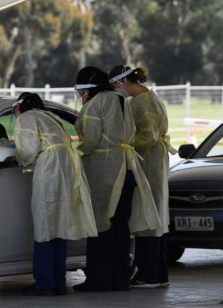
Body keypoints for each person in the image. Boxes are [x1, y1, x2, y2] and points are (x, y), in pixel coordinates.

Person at [72, 67, 161, 292]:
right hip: (128, 171)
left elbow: (90, 140)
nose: (81, 94)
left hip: (105, 172)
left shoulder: (93, 105)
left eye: (81, 90)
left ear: (87, 89)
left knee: (101, 225)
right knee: (121, 228)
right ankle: (120, 279)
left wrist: (75, 151)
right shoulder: (121, 100)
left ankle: (98, 280)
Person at [13, 92, 97, 296]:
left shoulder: (25, 118)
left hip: (49, 169)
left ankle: (45, 282)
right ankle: (58, 281)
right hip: (66, 169)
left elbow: (28, 151)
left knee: (44, 225)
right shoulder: (51, 116)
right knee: (59, 226)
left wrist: (15, 153)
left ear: (19, 107)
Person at [109, 65, 177, 288]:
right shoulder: (152, 97)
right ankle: (159, 274)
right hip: (156, 161)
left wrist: (124, 143)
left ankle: (148, 274)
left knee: (146, 215)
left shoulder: (140, 103)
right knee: (156, 215)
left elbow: (148, 137)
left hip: (147, 161)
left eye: (115, 86)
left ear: (124, 83)